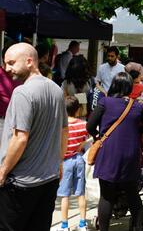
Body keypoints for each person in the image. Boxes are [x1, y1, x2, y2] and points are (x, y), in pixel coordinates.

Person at [0, 43, 68, 231]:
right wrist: (59, 162)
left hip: (21, 183)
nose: (7, 68)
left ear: (29, 61)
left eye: (11, 63)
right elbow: (64, 131)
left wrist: (2, 171)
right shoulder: (55, 89)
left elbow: (20, 138)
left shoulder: (22, 93)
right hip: (48, 179)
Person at [87, 72, 143, 231]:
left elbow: (90, 125)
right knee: (133, 193)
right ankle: (138, 227)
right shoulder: (137, 105)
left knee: (106, 195)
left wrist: (98, 136)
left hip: (109, 153)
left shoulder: (105, 102)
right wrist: (134, 131)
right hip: (130, 154)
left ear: (113, 85)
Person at [57, 96, 90, 231]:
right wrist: (83, 143)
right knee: (80, 193)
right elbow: (94, 135)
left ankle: (64, 225)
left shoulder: (60, 126)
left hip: (64, 162)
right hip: (79, 159)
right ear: (78, 110)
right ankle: (82, 223)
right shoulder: (83, 124)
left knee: (65, 195)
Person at [62, 55, 92, 119]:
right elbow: (84, 111)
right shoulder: (84, 85)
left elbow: (63, 102)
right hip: (78, 120)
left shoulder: (66, 83)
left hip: (67, 118)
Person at [0, 53, 21, 145]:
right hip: (2, 121)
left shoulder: (21, 75)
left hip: (17, 122)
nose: (9, 67)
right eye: (7, 62)